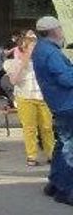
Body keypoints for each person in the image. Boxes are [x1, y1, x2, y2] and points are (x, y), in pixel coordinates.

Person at [31, 16, 73, 205]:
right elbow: (66, 80)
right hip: (67, 103)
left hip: (59, 103)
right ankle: (65, 189)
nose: (62, 31)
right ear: (54, 31)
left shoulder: (41, 49)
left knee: (62, 143)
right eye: (60, 28)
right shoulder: (52, 52)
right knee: (68, 145)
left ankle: (55, 183)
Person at [4, 31, 54, 167]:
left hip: (43, 98)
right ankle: (32, 156)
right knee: (30, 128)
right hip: (25, 98)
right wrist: (26, 58)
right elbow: (14, 80)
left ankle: (51, 154)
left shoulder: (43, 61)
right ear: (22, 47)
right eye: (30, 46)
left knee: (47, 127)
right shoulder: (13, 63)